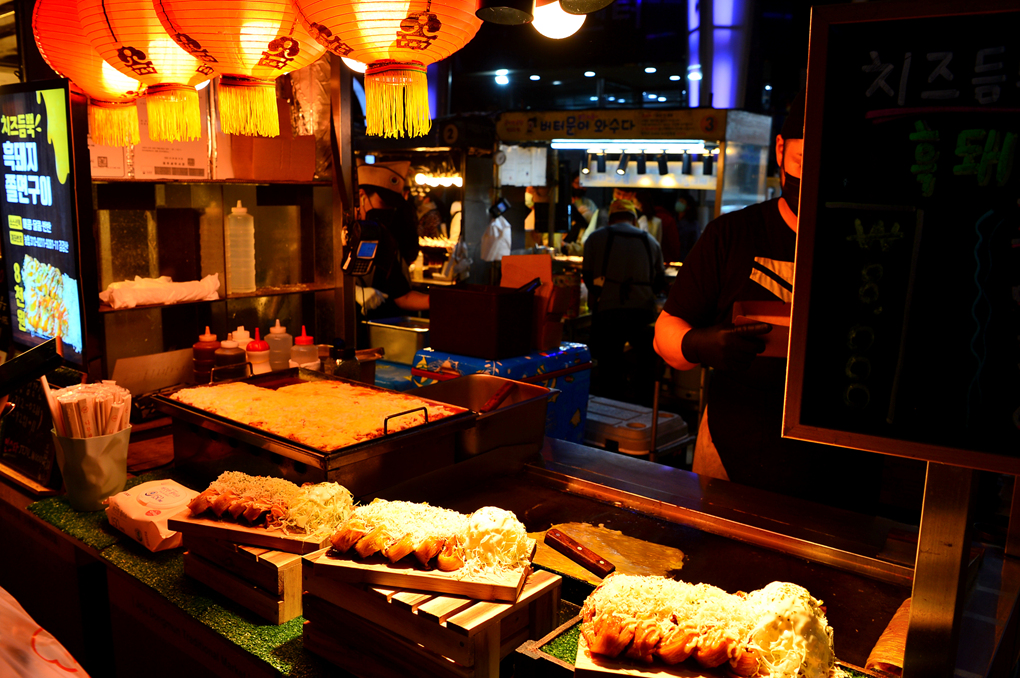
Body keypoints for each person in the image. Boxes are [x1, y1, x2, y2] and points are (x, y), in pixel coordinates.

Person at [653, 91, 880, 512]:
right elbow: (666, 329)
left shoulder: (878, 240)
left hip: (844, 457)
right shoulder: (731, 234)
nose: (816, 175)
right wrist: (699, 343)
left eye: (832, 164)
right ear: (780, 150)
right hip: (732, 441)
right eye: (803, 160)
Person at [583, 199, 667, 405]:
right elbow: (660, 281)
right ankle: (643, 409)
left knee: (609, 365)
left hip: (608, 310)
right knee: (644, 365)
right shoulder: (651, 241)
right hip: (642, 311)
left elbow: (588, 276)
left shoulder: (595, 238)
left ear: (610, 219)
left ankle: (610, 408)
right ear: (634, 219)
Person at [353, 160, 429, 322]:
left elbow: (402, 296)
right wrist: (354, 292)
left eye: (392, 206)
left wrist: (442, 300)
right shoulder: (334, 229)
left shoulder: (384, 239)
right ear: (361, 196)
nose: (387, 211)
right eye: (384, 203)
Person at [673, 191, 700, 262]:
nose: (679, 203)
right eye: (678, 201)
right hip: (673, 258)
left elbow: (695, 244)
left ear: (688, 206)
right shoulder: (673, 221)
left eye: (682, 202)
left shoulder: (693, 224)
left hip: (685, 259)